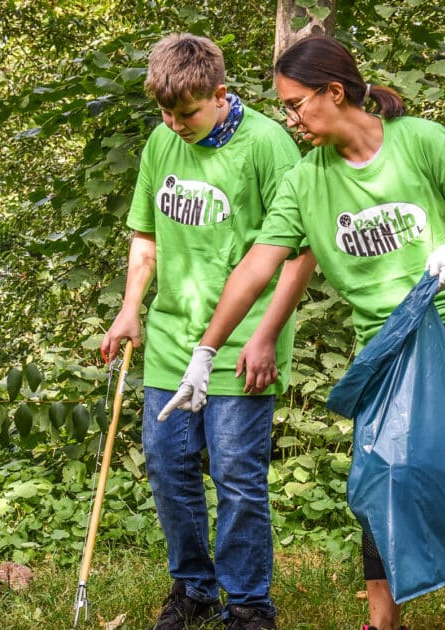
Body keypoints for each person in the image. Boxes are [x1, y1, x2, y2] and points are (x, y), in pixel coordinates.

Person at [160, 36, 445, 630]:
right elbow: (260, 263)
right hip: (387, 342)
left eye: (295, 104)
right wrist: (207, 350)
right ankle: (382, 622)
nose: (289, 118)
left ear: (334, 93)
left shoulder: (422, 143)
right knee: (377, 474)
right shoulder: (306, 180)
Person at [100, 33, 315, 630]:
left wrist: (269, 333)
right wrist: (129, 309)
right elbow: (145, 235)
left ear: (220, 94)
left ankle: (248, 604)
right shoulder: (162, 142)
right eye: (165, 113)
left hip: (243, 345)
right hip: (171, 343)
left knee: (237, 478)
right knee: (169, 469)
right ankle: (194, 589)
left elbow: (301, 250)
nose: (174, 124)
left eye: (187, 112)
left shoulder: (269, 146)